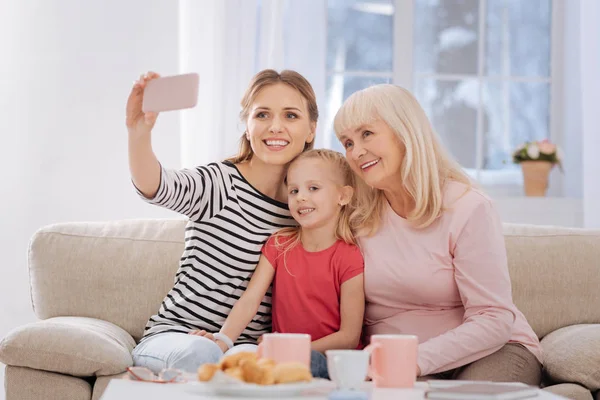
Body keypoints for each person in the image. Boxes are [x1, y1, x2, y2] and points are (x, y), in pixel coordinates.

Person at [334, 84, 543, 384]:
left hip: (493, 351)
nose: (356, 152)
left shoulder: (467, 207)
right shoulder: (356, 216)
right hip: (397, 362)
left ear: (404, 131)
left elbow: (494, 319)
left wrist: (413, 360)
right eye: (347, 142)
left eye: (366, 134)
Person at [126, 69, 318, 373]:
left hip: (239, 346)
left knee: (254, 366)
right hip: (177, 338)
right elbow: (156, 186)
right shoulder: (220, 183)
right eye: (263, 115)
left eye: (291, 116)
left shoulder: (308, 208)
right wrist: (139, 133)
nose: (276, 127)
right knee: (203, 353)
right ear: (247, 125)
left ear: (311, 130)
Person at [192, 149, 365, 379]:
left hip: (329, 358)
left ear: (343, 196)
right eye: (294, 190)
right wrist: (221, 342)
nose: (301, 197)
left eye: (313, 188)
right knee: (240, 361)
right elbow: (249, 301)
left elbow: (349, 336)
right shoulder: (279, 244)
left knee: (299, 362)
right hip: (279, 357)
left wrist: (292, 350)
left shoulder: (349, 256)